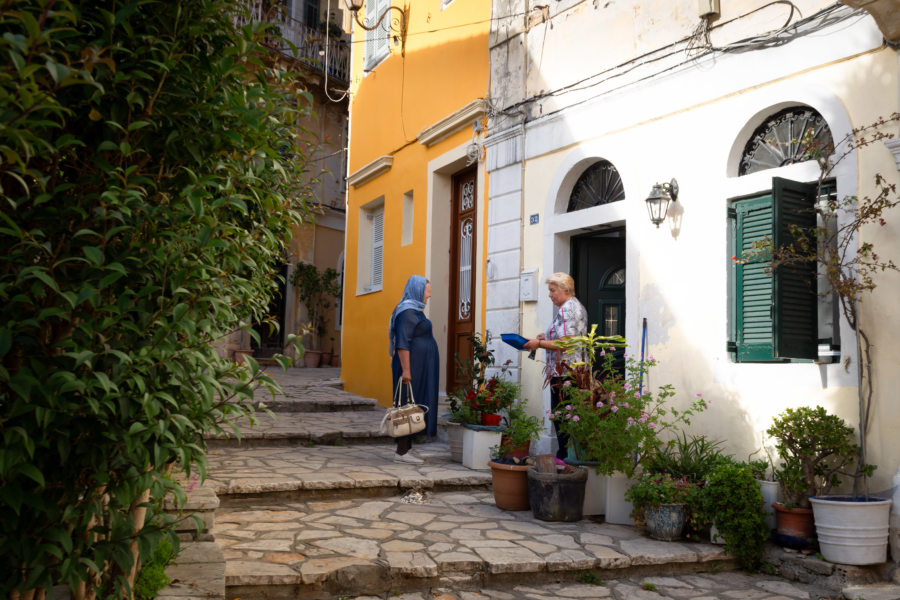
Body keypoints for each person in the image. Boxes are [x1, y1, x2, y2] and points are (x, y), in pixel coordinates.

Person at [523, 272, 588, 460]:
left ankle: (565, 458)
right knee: (566, 417)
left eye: (552, 290)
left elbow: (566, 343)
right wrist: (546, 337)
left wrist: (539, 344)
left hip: (566, 373)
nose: (549, 295)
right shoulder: (573, 306)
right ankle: (565, 456)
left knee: (562, 417)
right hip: (571, 371)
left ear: (565, 290)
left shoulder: (568, 309)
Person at [388, 275, 440, 464]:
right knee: (407, 405)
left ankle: (407, 449)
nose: (429, 295)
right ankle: (401, 452)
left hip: (420, 365)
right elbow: (402, 344)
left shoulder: (414, 310)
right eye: (427, 291)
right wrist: (407, 371)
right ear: (418, 290)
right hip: (412, 367)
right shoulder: (408, 312)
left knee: (415, 404)